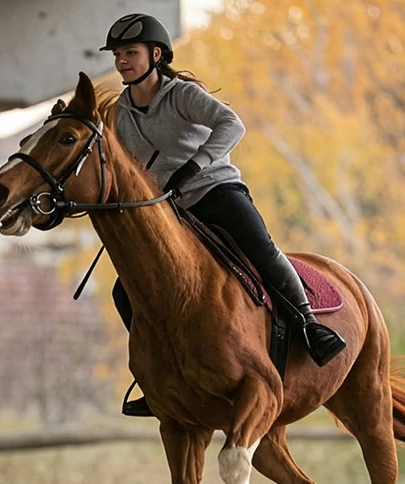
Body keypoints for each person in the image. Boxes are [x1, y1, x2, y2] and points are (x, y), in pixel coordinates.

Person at [101, 13, 347, 418]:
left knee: (262, 252)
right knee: (124, 291)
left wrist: (193, 167)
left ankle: (310, 327)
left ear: (155, 55)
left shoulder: (180, 94)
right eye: (118, 54)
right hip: (171, 209)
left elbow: (232, 125)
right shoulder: (121, 113)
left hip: (215, 190)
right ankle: (160, 374)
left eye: (130, 52)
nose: (122, 61)